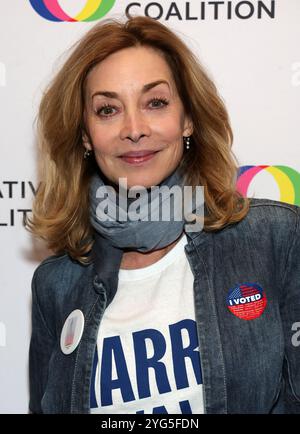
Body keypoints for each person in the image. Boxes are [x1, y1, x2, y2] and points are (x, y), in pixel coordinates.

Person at [25, 14, 300, 414]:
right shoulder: (56, 284)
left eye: (155, 102)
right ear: (85, 134)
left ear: (187, 118)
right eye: (107, 110)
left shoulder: (276, 239)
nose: (134, 128)